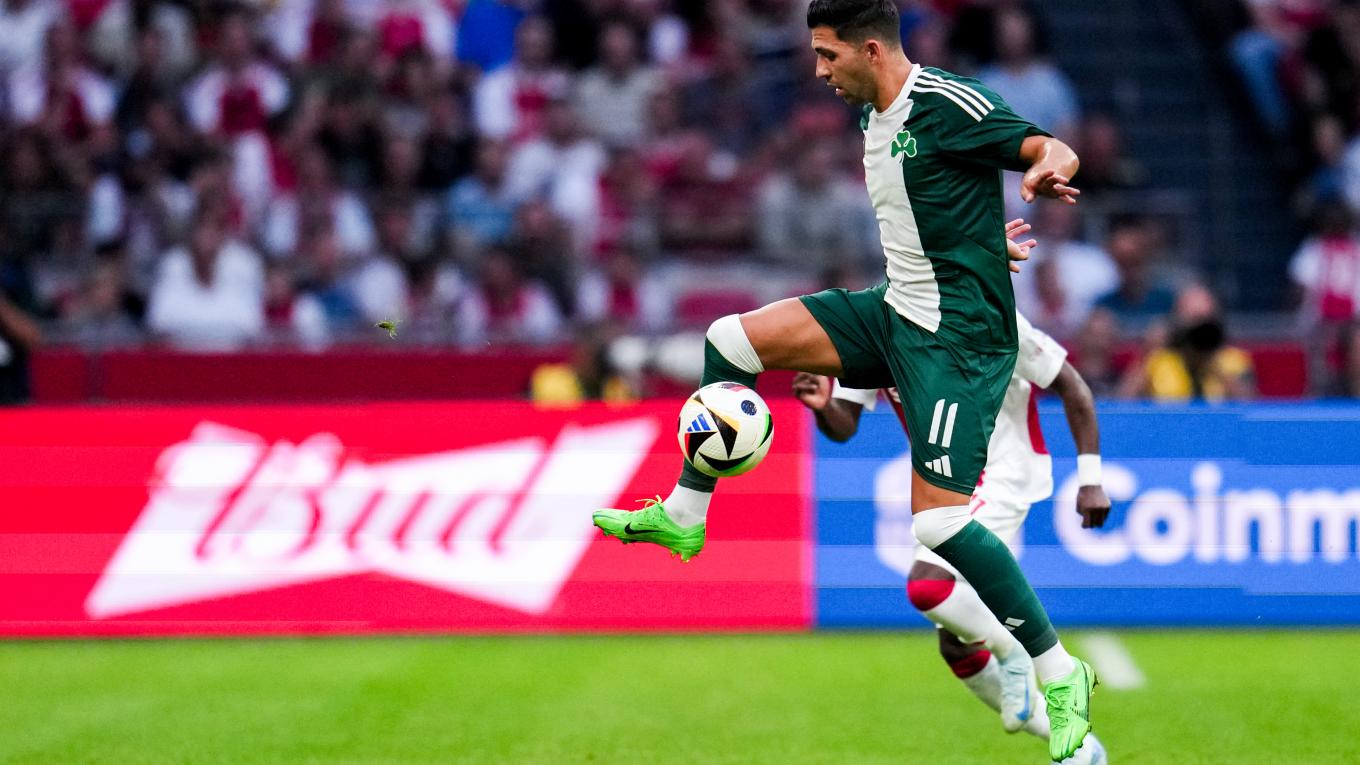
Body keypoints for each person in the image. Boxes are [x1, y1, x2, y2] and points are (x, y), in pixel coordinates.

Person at [592, 2, 1097, 760]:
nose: (819, 71)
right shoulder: (872, 114)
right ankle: (687, 511)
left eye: (829, 55)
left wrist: (1050, 165)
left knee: (937, 528)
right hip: (896, 310)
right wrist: (980, 243)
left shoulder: (946, 102)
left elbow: (1045, 145)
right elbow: (932, 209)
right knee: (729, 340)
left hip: (958, 341)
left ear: (870, 49)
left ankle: (1059, 672)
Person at [793, 310, 1109, 763]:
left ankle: (1014, 648)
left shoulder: (991, 315)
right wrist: (824, 404)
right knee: (956, 643)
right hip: (944, 482)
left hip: (1002, 472)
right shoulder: (877, 326)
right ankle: (1080, 749)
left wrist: (1091, 478)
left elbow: (1072, 385)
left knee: (929, 586)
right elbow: (844, 423)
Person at [1118, 284, 1255, 402]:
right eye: (1193, 320)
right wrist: (1147, 352)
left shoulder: (1233, 361)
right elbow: (1121, 405)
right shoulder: (1158, 359)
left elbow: (1250, 409)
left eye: (1204, 321)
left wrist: (1217, 367)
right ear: (1177, 321)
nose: (1199, 330)